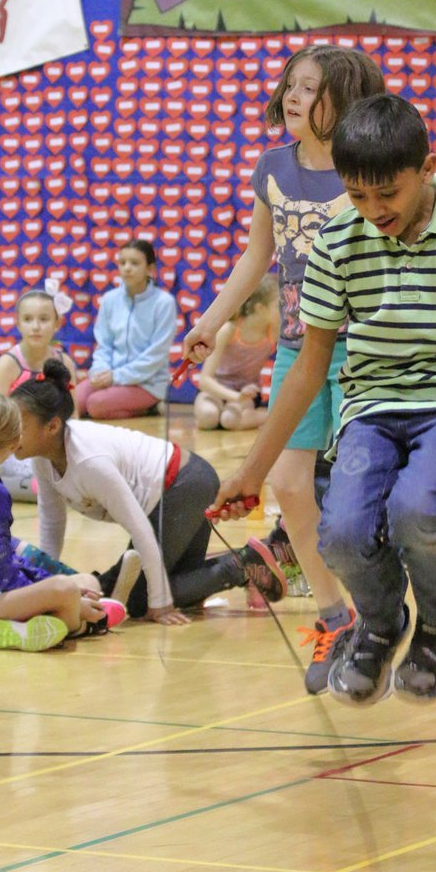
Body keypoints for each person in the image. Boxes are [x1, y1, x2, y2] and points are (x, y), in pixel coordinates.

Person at [210, 94, 436, 706]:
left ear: (428, 167)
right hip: (371, 405)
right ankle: (380, 623)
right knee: (340, 533)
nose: (374, 211)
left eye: (388, 195)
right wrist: (250, 472)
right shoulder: (337, 242)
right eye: (357, 196)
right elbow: (309, 364)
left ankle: (435, 626)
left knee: (414, 508)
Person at [183, 45, 386, 693]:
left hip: (362, 348)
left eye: (311, 88)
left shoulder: (366, 170)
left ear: (345, 102)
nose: (294, 97)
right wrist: (211, 320)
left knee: (359, 497)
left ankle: (383, 620)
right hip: (300, 347)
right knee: (290, 485)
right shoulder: (272, 167)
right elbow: (256, 257)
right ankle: (335, 616)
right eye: (290, 86)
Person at [12, 360, 287, 624]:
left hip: (185, 486)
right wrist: (44, 583)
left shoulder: (89, 462)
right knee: (176, 585)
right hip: (183, 486)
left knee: (138, 600)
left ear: (52, 427)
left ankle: (242, 565)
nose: (10, 432)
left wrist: (159, 605)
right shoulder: (43, 458)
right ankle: (240, 565)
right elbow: (52, 524)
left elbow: (140, 529)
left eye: (19, 426)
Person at [0, 393, 127, 652]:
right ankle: (84, 624)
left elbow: (3, 561)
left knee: (81, 583)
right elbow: (1, 575)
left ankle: (19, 629)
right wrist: (63, 596)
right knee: (66, 590)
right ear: (15, 442)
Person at [0, 281, 77, 503]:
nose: (36, 326)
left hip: (51, 448)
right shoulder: (8, 364)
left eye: (44, 319)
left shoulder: (64, 362)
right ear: (17, 323)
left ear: (58, 323)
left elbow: (74, 419)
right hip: (13, 449)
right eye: (28, 319)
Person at [75, 238, 176, 420]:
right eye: (122, 263)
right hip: (110, 377)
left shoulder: (164, 303)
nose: (127, 268)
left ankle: (150, 407)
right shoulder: (109, 299)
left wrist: (116, 377)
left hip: (147, 383)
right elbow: (103, 345)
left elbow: (155, 356)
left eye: (135, 263)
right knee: (73, 402)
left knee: (96, 405)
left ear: (150, 269)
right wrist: (100, 371)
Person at [193, 274, 278, 431]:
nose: (286, 309)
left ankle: (272, 417)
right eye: (278, 305)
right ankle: (263, 416)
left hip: (246, 393)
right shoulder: (229, 329)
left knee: (229, 420)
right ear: (260, 308)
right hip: (216, 390)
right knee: (208, 416)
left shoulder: (272, 332)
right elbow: (204, 380)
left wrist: (241, 397)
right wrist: (235, 397)